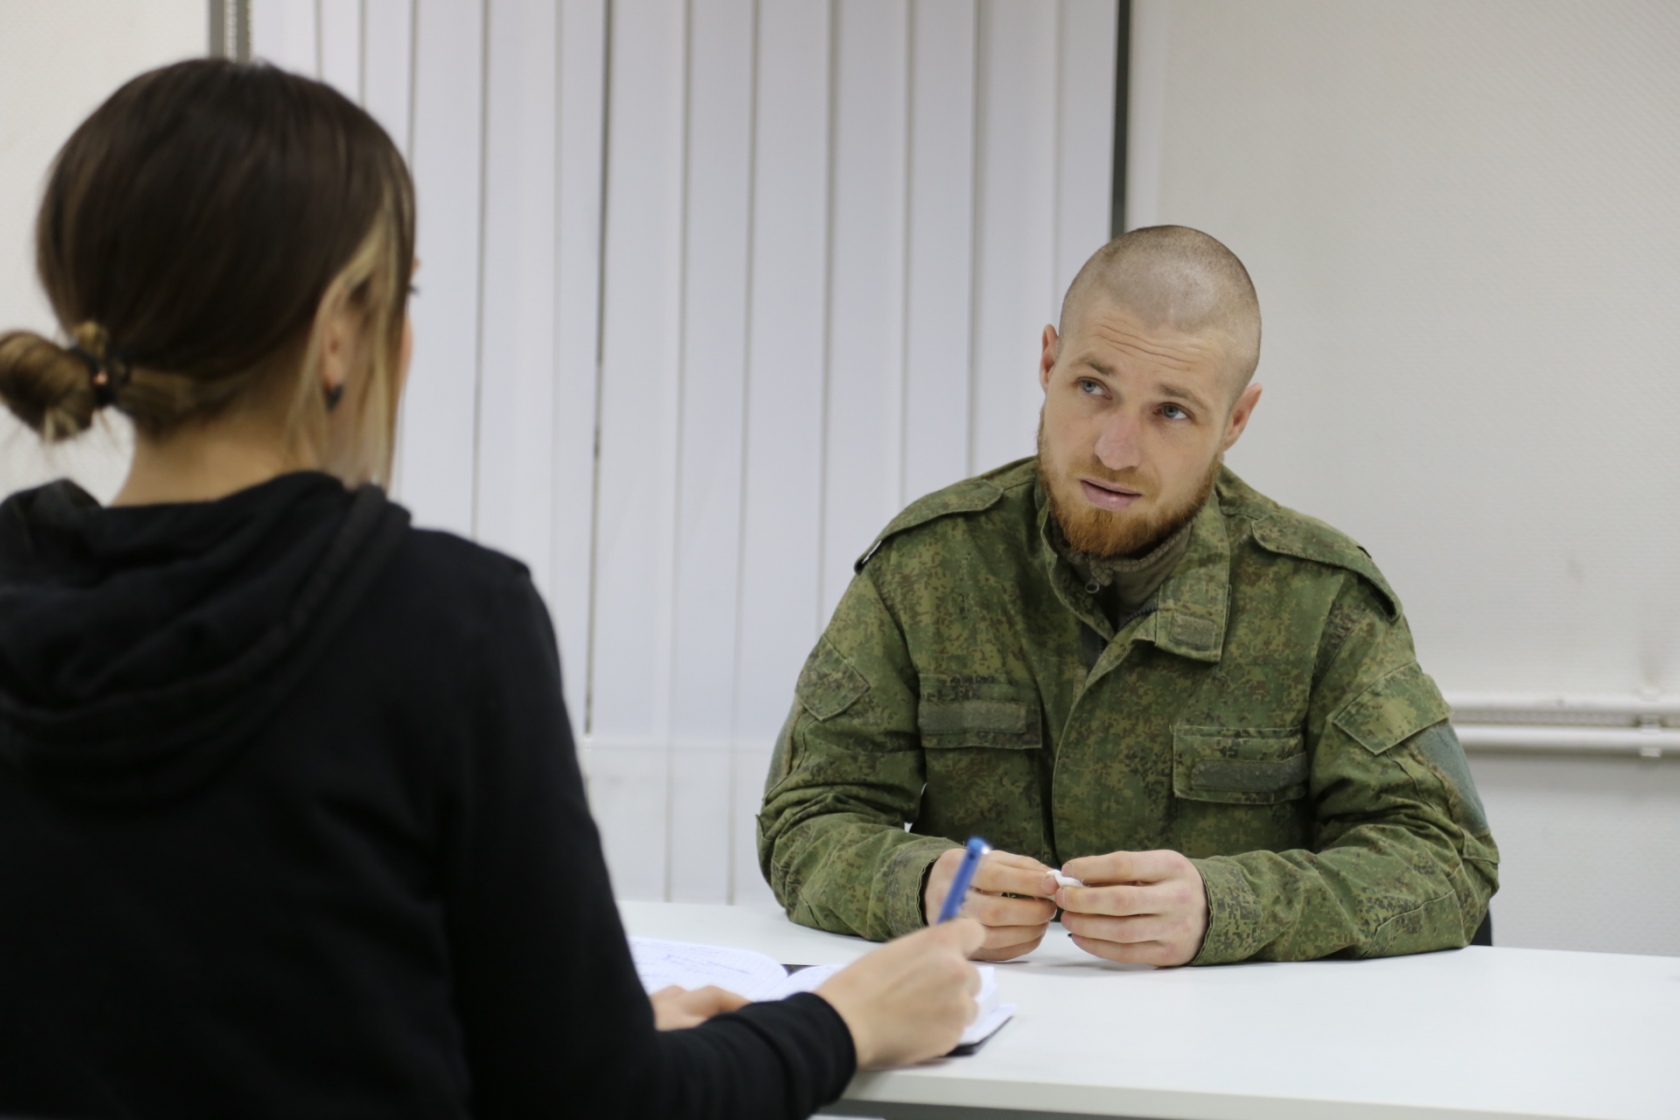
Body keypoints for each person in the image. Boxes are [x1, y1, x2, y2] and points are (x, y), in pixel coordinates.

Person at [0, 59, 983, 1120]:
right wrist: (844, 1020)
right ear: (338, 333)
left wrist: (555, 1032)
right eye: (404, 294)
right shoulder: (443, 626)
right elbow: (606, 1108)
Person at [757, 226, 1499, 967]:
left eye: (1171, 411)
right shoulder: (929, 568)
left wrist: (1225, 908)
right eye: (1093, 388)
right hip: (989, 1015)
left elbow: (1445, 858)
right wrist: (922, 886)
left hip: (1238, 1029)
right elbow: (807, 818)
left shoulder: (1319, 598)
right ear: (1048, 362)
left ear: (1236, 421)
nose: (1114, 451)